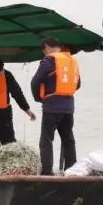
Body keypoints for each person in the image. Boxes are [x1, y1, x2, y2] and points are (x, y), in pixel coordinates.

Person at [30, 37, 80, 175]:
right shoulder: (72, 61)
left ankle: (47, 172)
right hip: (69, 107)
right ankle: (71, 170)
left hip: (51, 107)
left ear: (47, 47)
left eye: (43, 49)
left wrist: (38, 99)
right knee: (68, 139)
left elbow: (35, 82)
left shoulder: (49, 60)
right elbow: (78, 84)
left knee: (46, 140)